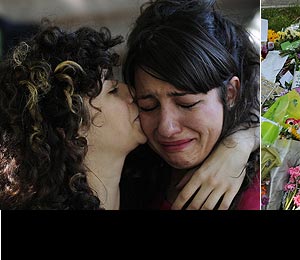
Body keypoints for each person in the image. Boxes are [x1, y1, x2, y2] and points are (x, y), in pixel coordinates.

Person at [0, 23, 256, 209]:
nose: (131, 93)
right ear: (67, 125)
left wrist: (243, 142)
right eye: (112, 90)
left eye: (187, 103)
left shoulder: (142, 177)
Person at [121, 0, 260, 210]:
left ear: (230, 93)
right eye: (148, 105)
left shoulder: (259, 192)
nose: (166, 128)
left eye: (187, 104)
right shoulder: (133, 174)